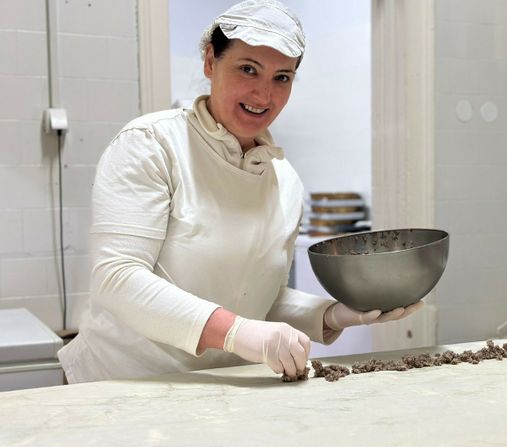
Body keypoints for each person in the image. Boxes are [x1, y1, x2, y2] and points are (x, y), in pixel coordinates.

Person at [57, 0, 423, 383]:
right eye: (248, 69)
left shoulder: (285, 182)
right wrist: (235, 331)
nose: (264, 95)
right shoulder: (152, 144)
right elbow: (117, 279)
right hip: (118, 383)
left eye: (282, 77)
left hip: (217, 391)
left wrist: (332, 314)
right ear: (210, 62)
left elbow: (257, 296)